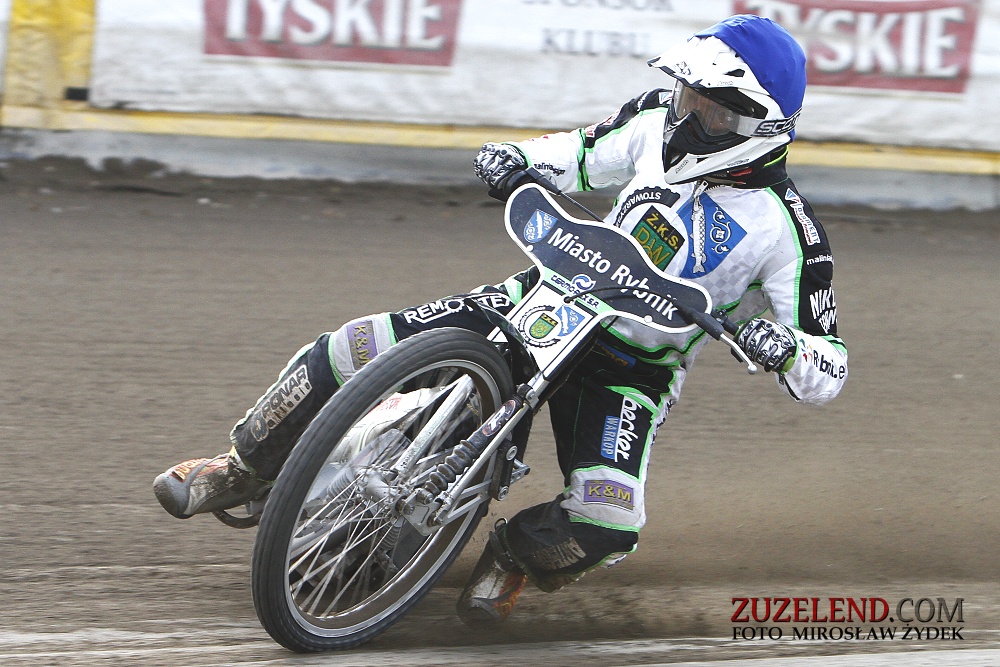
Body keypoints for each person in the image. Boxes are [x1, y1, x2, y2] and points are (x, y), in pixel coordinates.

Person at [154, 14, 847, 626]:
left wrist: (783, 348)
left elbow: (830, 367)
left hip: (631, 368)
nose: (686, 116)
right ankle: (243, 466)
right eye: (688, 95)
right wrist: (517, 157)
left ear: (759, 127)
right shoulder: (652, 120)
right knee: (353, 346)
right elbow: (579, 156)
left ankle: (514, 554)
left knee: (607, 519)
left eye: (711, 112)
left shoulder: (791, 234)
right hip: (548, 296)